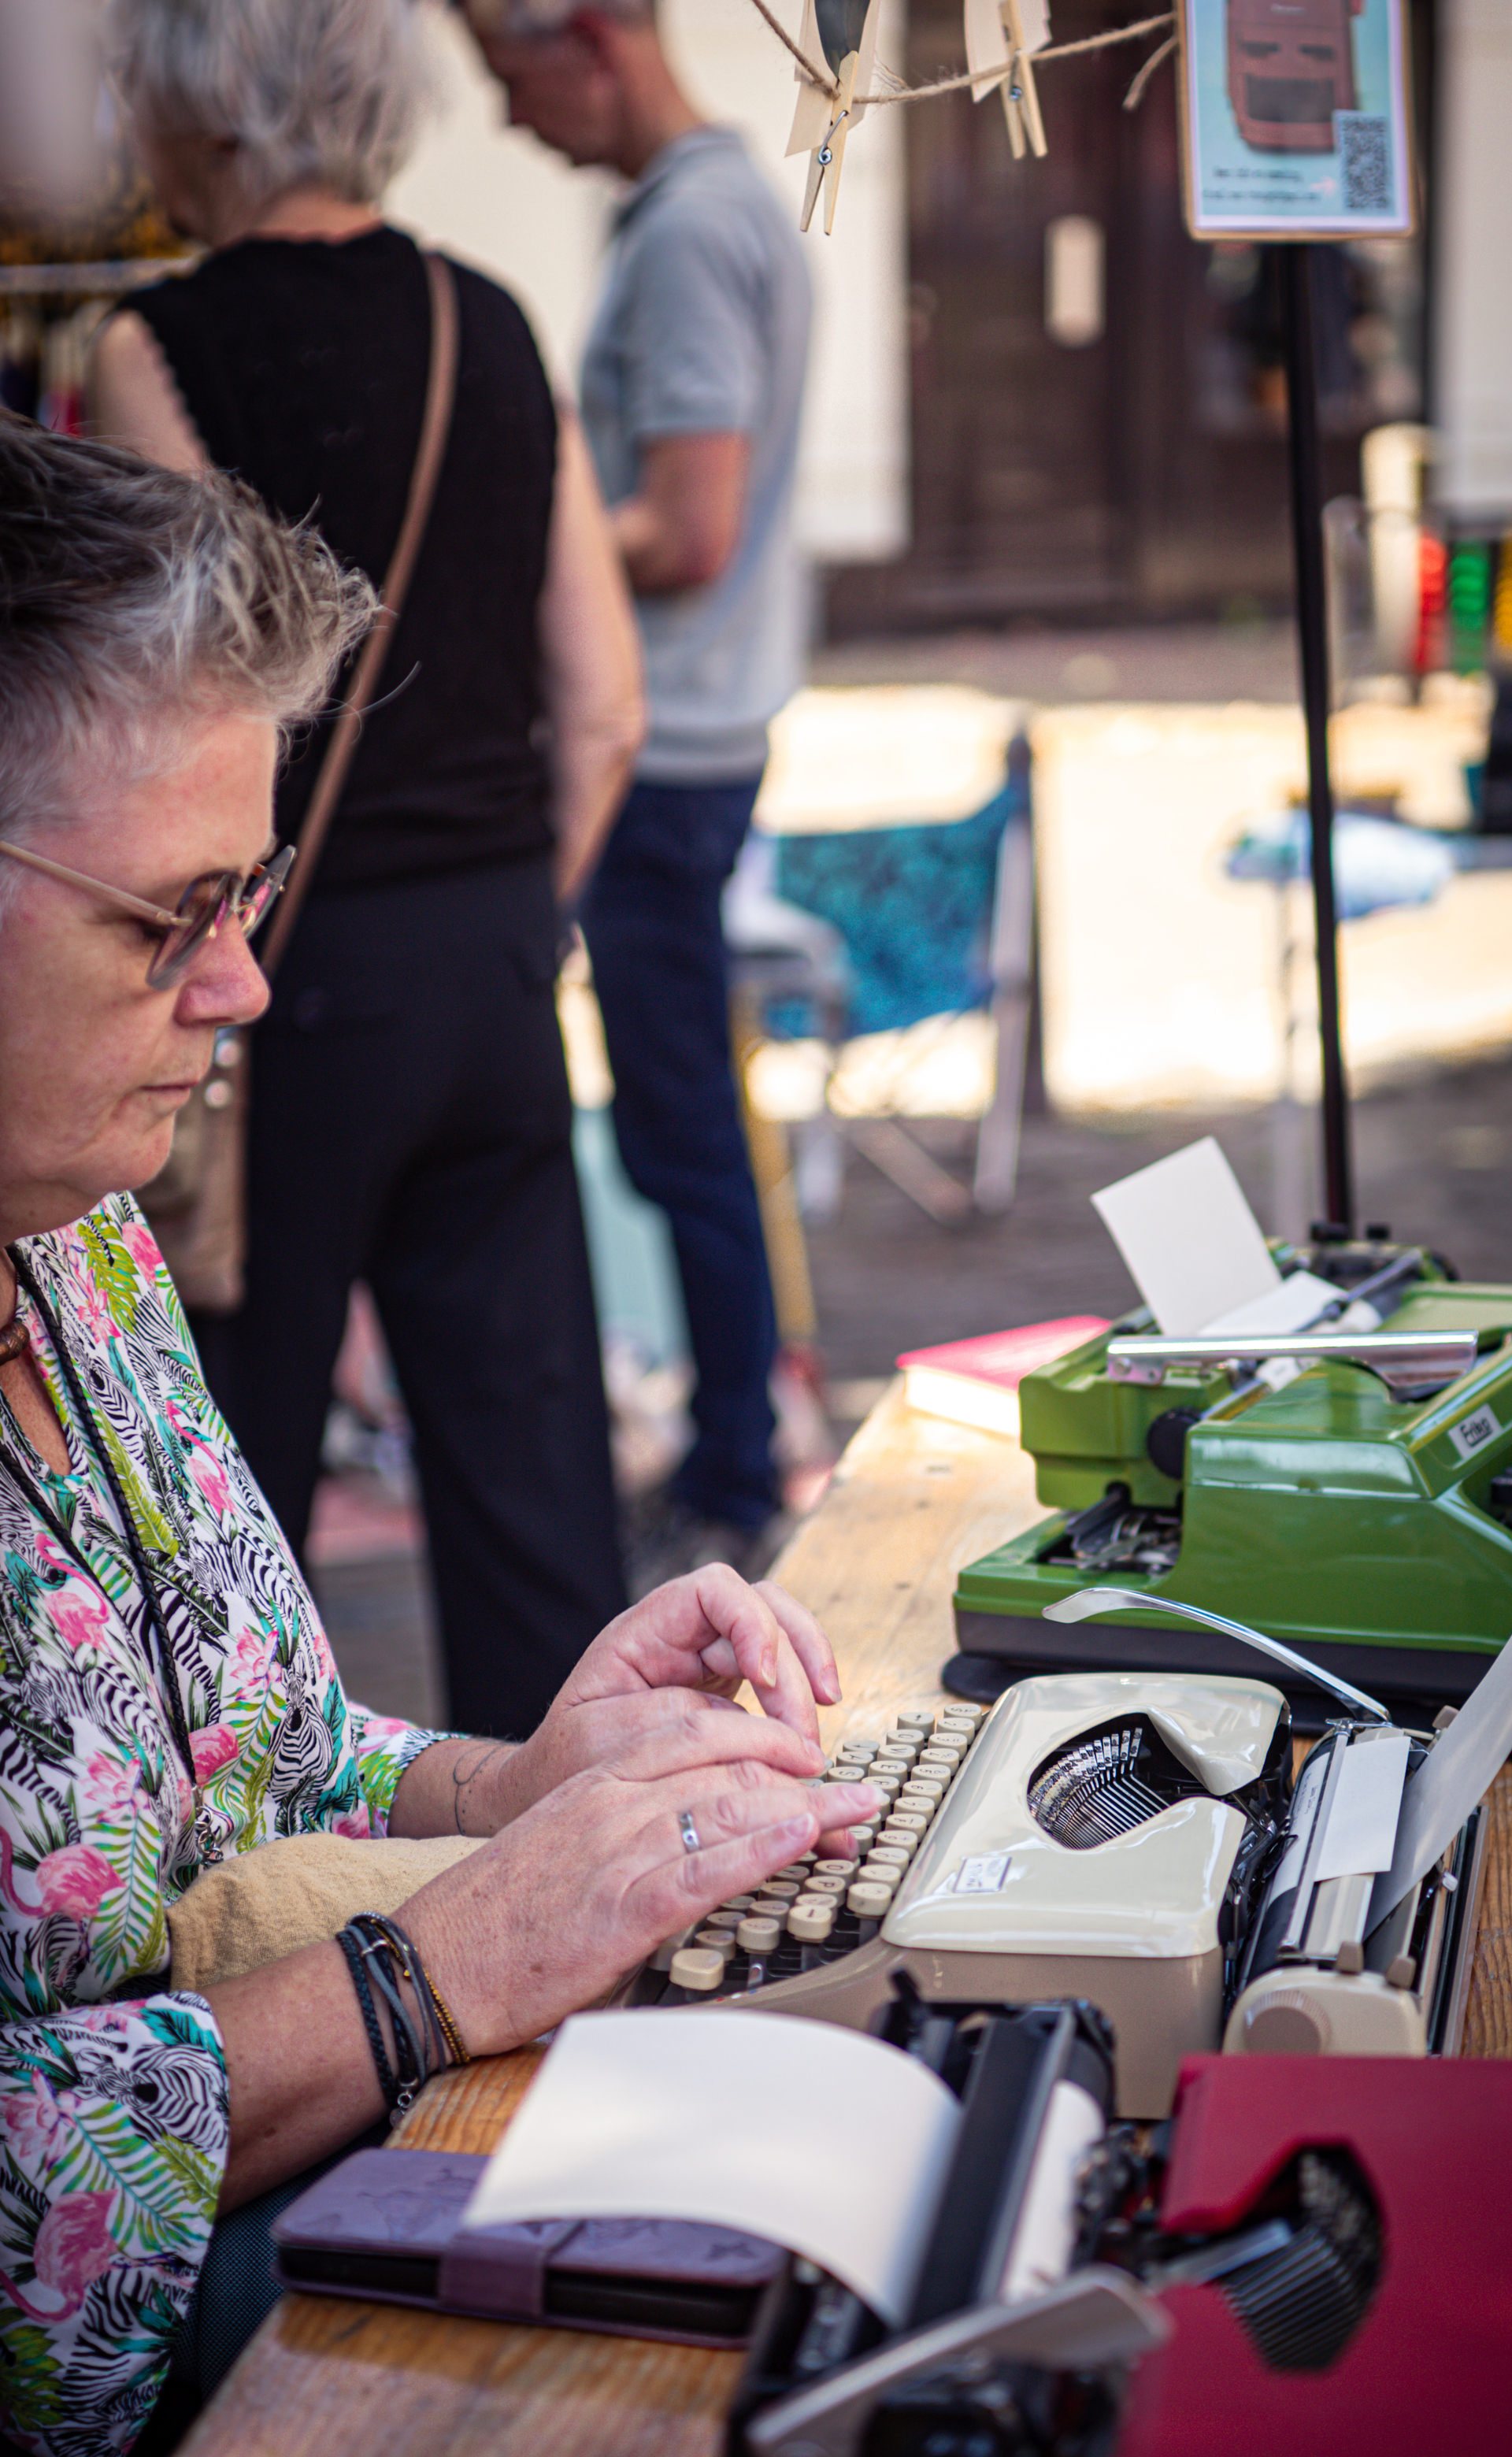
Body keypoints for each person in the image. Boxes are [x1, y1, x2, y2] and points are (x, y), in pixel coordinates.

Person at [0, 416, 877, 2455]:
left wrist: (514, 1781)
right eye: (169, 917)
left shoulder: (81, 1238)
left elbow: (269, 1760)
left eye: (256, 894)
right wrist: (430, 1975)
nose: (242, 986)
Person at [86, 0, 647, 1742]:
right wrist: (512, 909)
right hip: (491, 958)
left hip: (280, 973)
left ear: (189, 101)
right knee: (531, 1473)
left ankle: (271, 1889)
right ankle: (592, 1857)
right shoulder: (488, 312)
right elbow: (606, 705)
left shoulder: (150, 344)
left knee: (232, 1479)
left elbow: (166, 717)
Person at [464, 0, 813, 1584]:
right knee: (686, 1127)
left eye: (506, 71)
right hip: (693, 738)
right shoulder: (714, 203)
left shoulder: (689, 229)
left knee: (676, 1135)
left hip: (662, 752)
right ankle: (731, 1444)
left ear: (590, 34)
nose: (509, 117)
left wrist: (503, 529)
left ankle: (734, 1469)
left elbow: (683, 527)